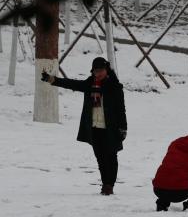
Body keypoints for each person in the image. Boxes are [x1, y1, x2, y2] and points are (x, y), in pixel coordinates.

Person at [41, 57, 127, 195]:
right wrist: (52, 79)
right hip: (94, 127)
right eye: (95, 71)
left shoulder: (115, 87)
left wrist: (123, 128)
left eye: (100, 71)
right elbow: (72, 84)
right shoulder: (90, 84)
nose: (97, 74)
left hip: (111, 128)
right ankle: (105, 184)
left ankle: (109, 185)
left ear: (106, 70)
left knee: (111, 157)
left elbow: (121, 109)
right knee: (100, 158)